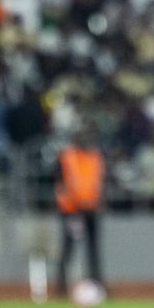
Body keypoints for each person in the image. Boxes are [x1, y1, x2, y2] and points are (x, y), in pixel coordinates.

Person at [54, 124, 106, 297]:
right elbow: (60, 182)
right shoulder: (66, 156)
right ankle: (61, 288)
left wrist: (98, 201)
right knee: (68, 249)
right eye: (82, 135)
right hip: (72, 210)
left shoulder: (96, 156)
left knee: (93, 250)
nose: (86, 139)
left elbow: (99, 181)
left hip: (91, 210)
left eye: (88, 135)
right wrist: (70, 202)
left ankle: (98, 286)